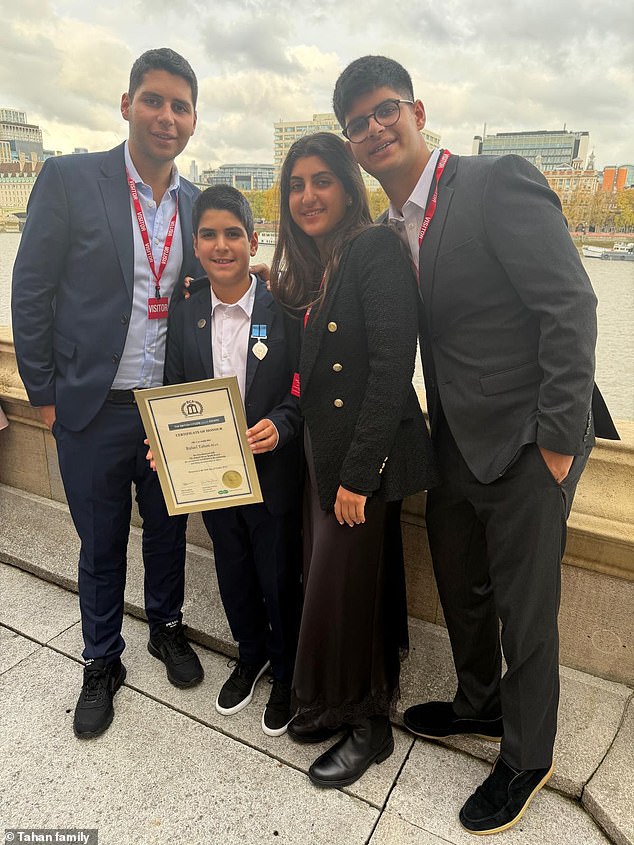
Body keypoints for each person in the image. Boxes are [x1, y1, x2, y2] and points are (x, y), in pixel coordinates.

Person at [332, 55, 619, 834]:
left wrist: (557, 445)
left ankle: (527, 755)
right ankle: (479, 703)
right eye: (356, 123)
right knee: (462, 582)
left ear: (417, 110)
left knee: (527, 610)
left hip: (530, 436)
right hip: (456, 436)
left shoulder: (496, 183)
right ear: (351, 144)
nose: (374, 128)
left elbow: (572, 307)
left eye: (385, 109)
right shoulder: (391, 229)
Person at [11, 48, 204, 739]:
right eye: (154, 100)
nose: (166, 116)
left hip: (168, 411)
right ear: (127, 105)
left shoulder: (196, 203)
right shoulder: (70, 179)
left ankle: (167, 626)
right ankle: (101, 659)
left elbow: (212, 292)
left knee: (169, 531)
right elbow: (30, 290)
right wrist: (47, 398)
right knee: (99, 544)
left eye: (180, 106)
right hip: (90, 408)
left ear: (192, 121)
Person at [270, 132, 438, 788]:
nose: (307, 195)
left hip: (357, 461)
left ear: (347, 185)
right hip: (325, 452)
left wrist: (358, 475)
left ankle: (368, 724)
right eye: (296, 184)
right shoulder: (322, 264)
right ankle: (329, 701)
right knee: (340, 581)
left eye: (321, 181)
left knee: (348, 589)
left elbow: (395, 366)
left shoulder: (374, 249)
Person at [161, 185, 302, 736]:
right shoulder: (188, 312)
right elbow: (174, 390)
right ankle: (250, 654)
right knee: (232, 570)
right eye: (210, 235)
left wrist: (283, 423)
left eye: (233, 234)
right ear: (196, 245)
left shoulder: (279, 308)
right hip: (213, 478)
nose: (222, 246)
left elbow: (300, 388)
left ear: (253, 240)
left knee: (277, 576)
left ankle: (286, 670)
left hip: (271, 474)